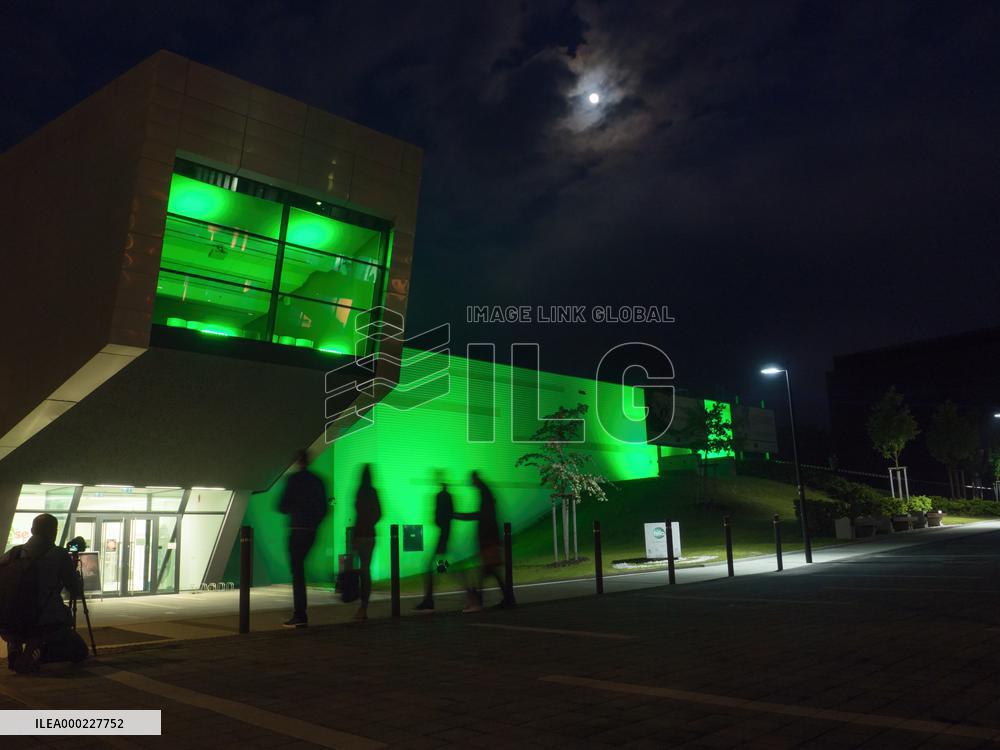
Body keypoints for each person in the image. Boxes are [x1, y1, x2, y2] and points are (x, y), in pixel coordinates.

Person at [0, 513, 88, 672]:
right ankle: (35, 653)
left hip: (8, 622)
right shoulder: (59, 555)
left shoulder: (13, 553)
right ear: (54, 532)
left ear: (32, 530)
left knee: (21, 620)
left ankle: (14, 647)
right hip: (44, 623)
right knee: (80, 651)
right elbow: (75, 590)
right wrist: (74, 573)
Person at [278, 449, 328, 628]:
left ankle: (300, 613)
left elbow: (281, 506)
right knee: (300, 568)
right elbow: (324, 508)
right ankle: (300, 612)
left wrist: (295, 509)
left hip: (297, 529)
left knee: (297, 571)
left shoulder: (293, 480)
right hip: (311, 531)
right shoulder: (318, 481)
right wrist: (314, 523)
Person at [458, 471, 515, 613]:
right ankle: (506, 599)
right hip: (489, 539)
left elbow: (483, 515)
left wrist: (460, 515)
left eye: (472, 481)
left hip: (488, 539)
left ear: (475, 480)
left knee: (487, 570)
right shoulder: (486, 491)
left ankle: (481, 602)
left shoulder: (484, 493)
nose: (471, 484)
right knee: (489, 571)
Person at [415, 471, 454, 612]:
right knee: (438, 567)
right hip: (445, 536)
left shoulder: (441, 496)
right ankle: (428, 599)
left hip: (443, 537)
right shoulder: (446, 496)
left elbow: (439, 517)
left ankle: (428, 600)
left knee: (430, 566)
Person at [352, 464, 381, 621]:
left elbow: (357, 513)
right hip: (370, 534)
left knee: (361, 569)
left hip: (360, 534)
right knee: (366, 570)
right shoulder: (373, 492)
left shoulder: (359, 492)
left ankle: (361, 605)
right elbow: (379, 513)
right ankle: (364, 605)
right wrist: (371, 523)